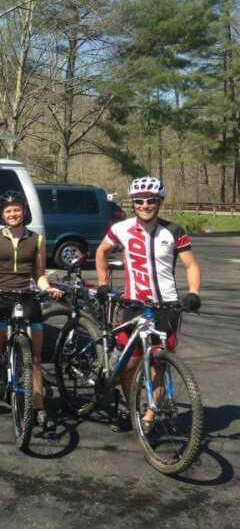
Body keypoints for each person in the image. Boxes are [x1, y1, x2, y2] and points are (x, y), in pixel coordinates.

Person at [95, 176, 201, 432]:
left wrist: (194, 293)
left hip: (167, 307)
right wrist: (102, 283)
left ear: (159, 202)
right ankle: (134, 407)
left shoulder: (174, 231)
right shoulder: (121, 228)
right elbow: (101, 252)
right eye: (139, 201)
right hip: (133, 305)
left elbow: (191, 265)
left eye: (151, 200)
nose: (145, 205)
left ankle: (149, 417)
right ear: (133, 203)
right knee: (129, 364)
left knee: (160, 362)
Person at [0, 190, 62, 426]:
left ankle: (39, 408)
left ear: (24, 212)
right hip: (1, 298)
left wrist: (47, 287)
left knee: (35, 357)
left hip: (27, 297)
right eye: (8, 210)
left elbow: (40, 274)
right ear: (2, 214)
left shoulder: (37, 239)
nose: (13, 214)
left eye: (17, 209)